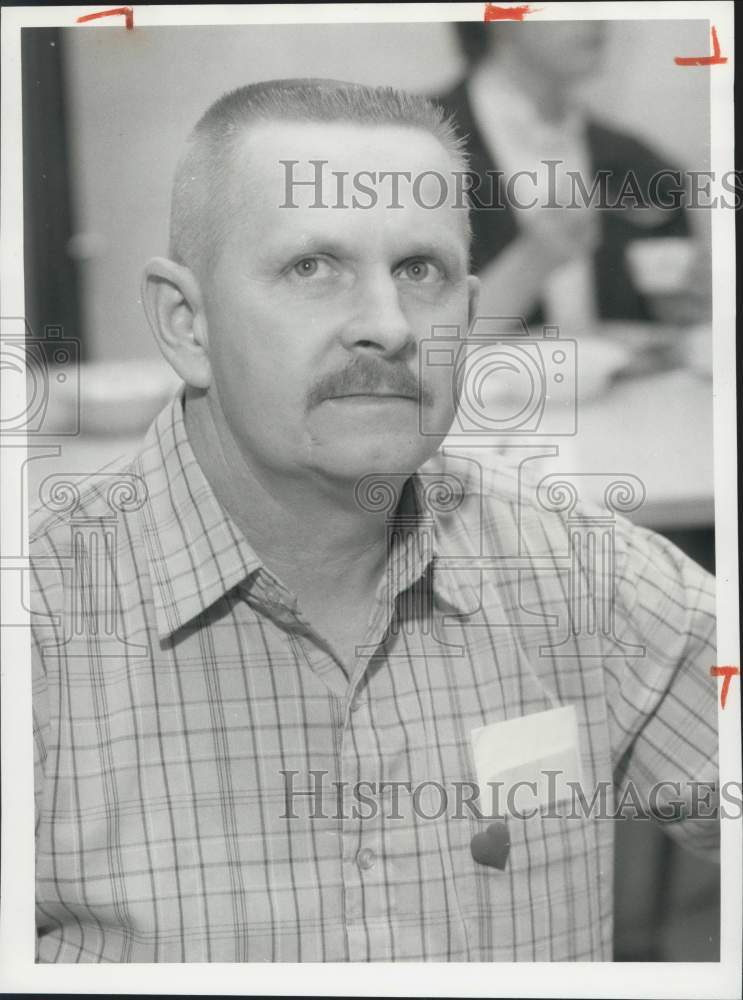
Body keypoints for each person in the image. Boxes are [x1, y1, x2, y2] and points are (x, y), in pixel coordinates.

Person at [30, 78, 718, 963]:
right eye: (311, 268)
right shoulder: (42, 635)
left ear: (467, 318)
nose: (387, 327)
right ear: (185, 323)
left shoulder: (589, 579)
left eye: (419, 272)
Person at [437, 21, 711, 331]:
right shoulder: (407, 145)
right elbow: (407, 353)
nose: (596, 16)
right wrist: (532, 261)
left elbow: (667, 328)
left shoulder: (642, 164)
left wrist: (680, 314)